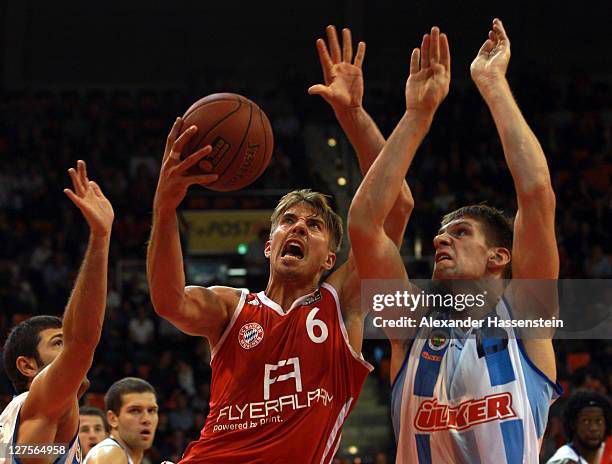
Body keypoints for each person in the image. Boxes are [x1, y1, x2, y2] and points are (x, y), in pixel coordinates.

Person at [147, 26, 412, 463]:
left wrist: (352, 115)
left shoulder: (343, 301)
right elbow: (168, 300)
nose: (299, 228)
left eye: (314, 225)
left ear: (330, 258)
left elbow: (397, 205)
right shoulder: (231, 308)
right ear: (269, 246)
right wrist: (164, 207)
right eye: (288, 221)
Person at [348, 19, 562, 463]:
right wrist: (416, 116)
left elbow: (536, 192)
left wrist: (493, 83)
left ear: (498, 256)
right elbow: (365, 225)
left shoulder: (526, 319)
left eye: (460, 233)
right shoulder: (410, 326)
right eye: (441, 235)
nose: (441, 241)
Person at [0, 160, 114, 464]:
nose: (68, 349)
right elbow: (82, 340)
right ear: (27, 366)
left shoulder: (21, 422)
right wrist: (100, 238)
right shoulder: (41, 401)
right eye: (57, 343)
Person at [83, 377, 159, 464]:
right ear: (113, 419)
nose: (146, 419)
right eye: (135, 410)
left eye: (151, 410)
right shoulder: (110, 455)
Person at [547, 391, 611, 464]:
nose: (593, 428)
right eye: (586, 421)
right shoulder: (564, 460)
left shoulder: (607, 450)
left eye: (599, 421)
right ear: (573, 424)